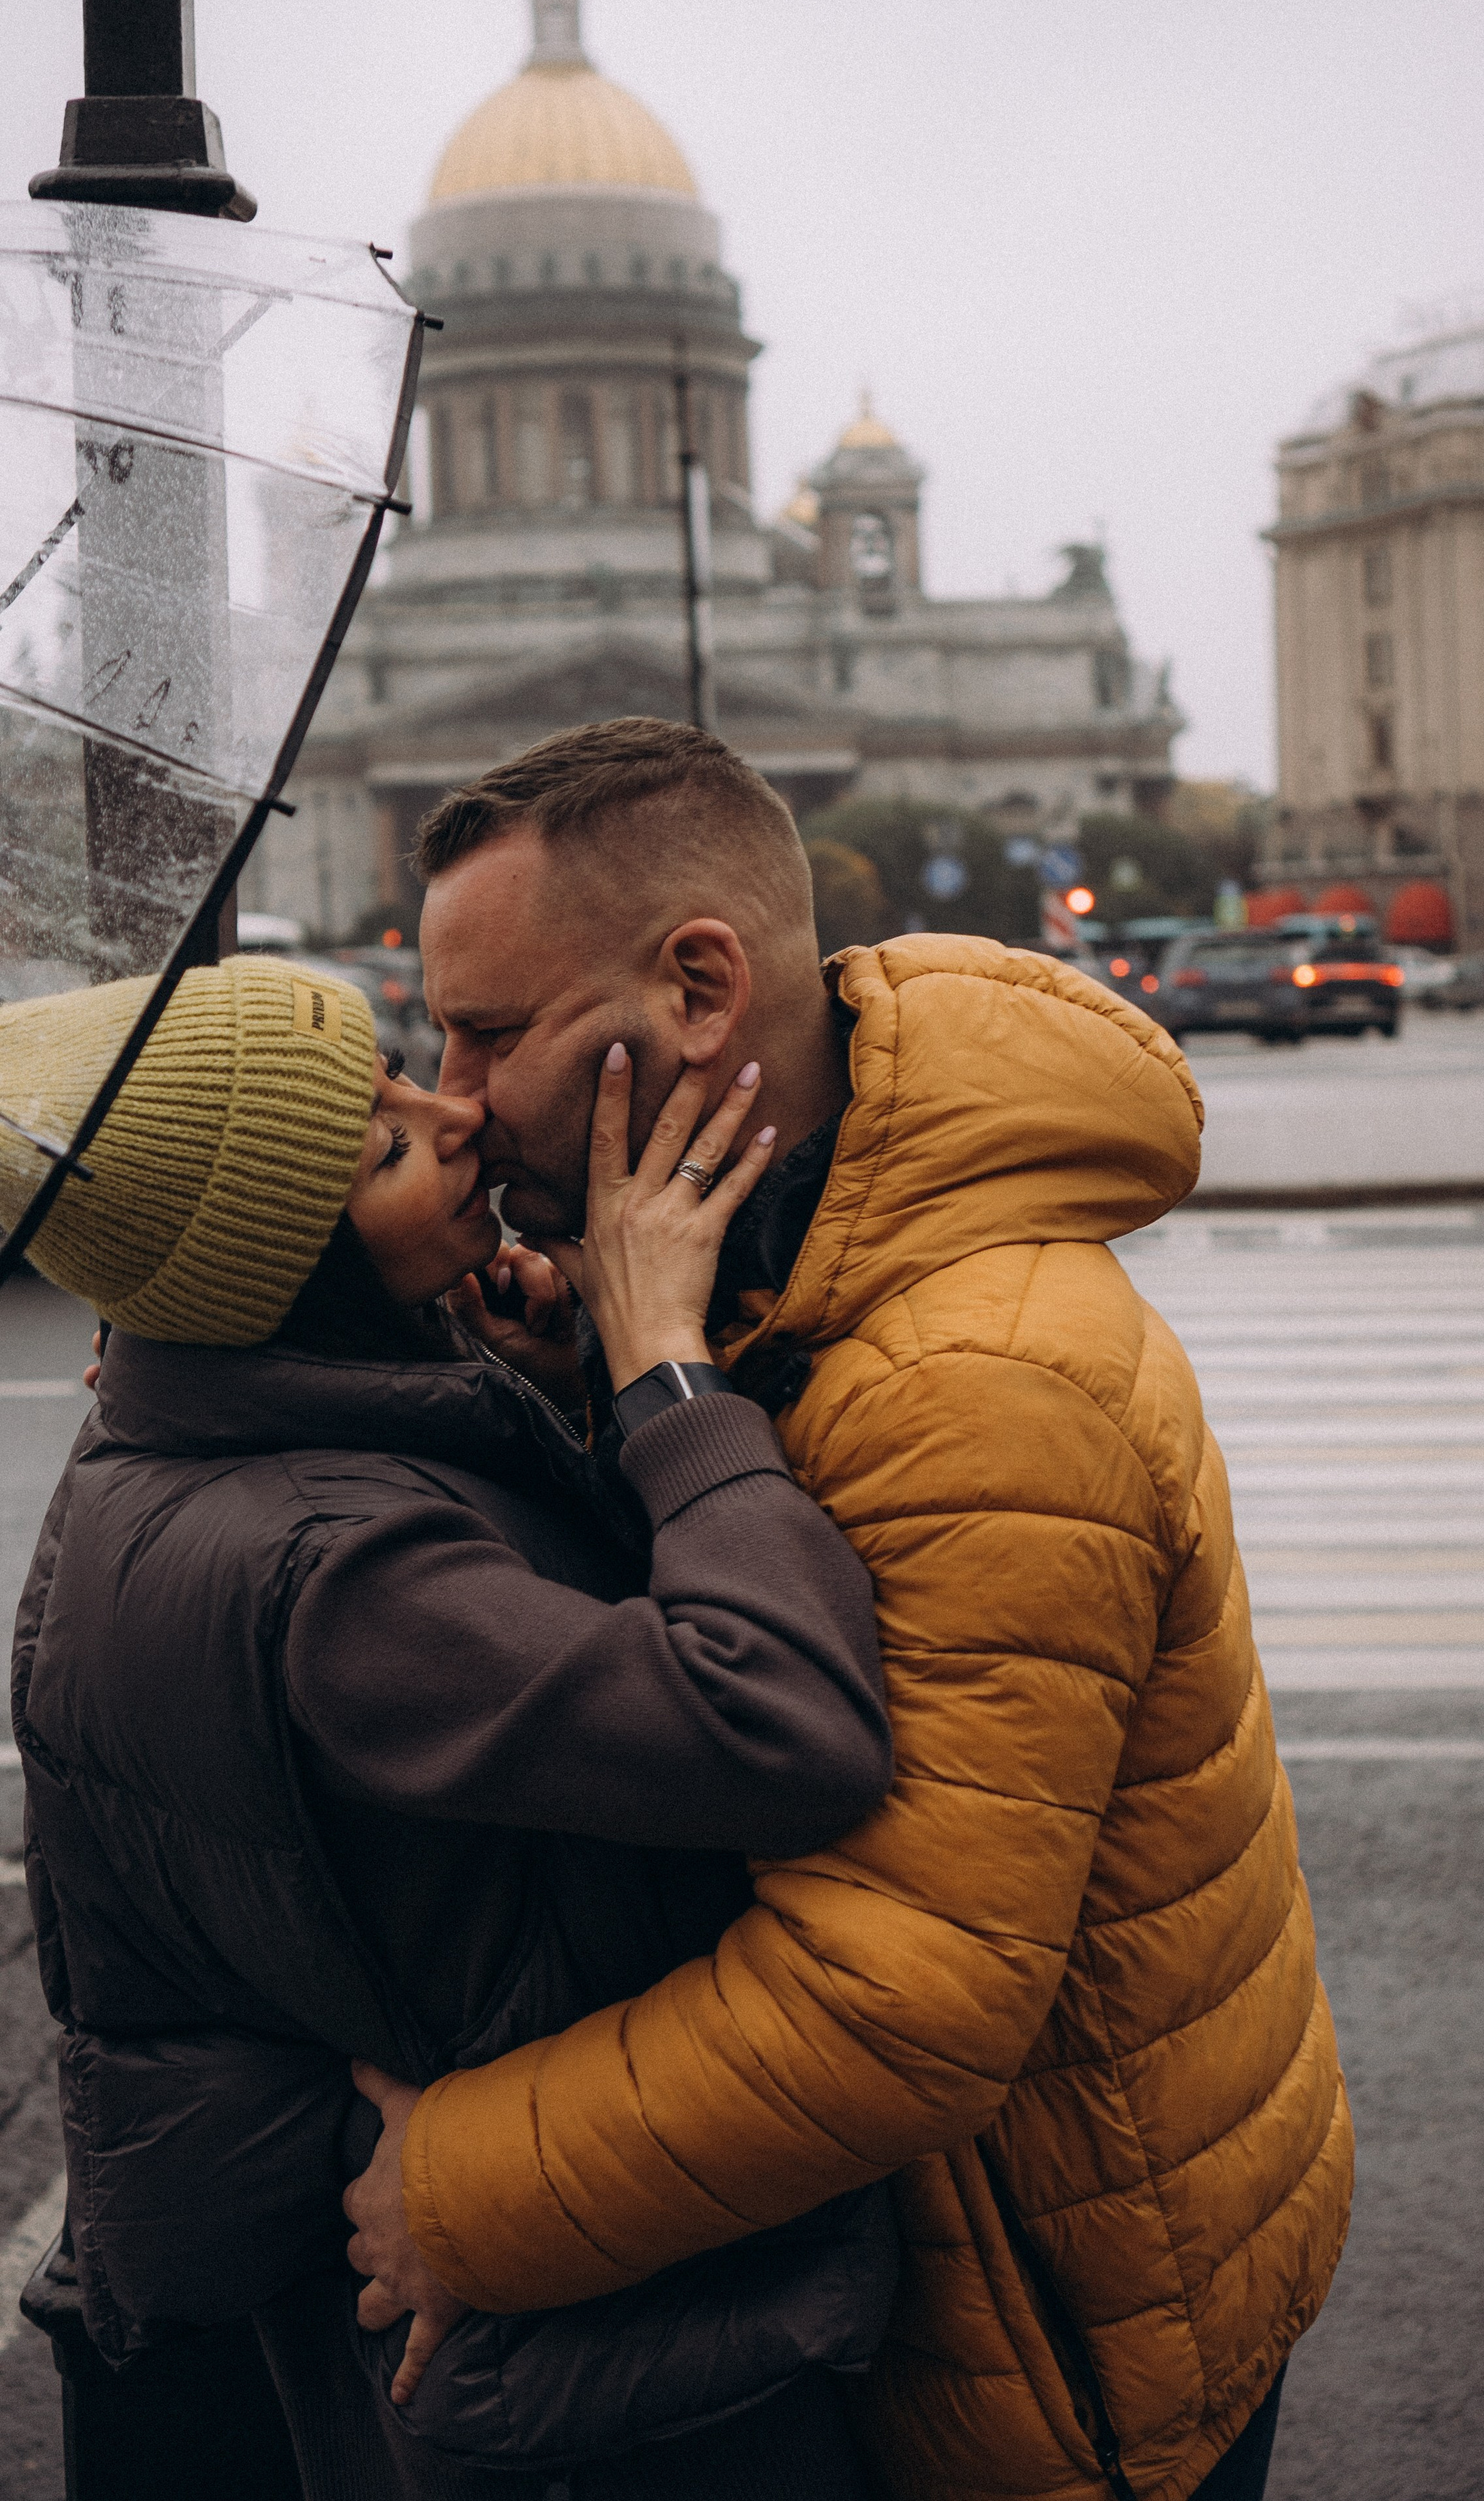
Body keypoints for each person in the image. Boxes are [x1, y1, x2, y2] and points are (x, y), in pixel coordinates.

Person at [344, 718, 1354, 2501]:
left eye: (491, 1031)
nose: (458, 1096)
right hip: (992, 2250)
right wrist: (603, 1378)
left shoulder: (976, 1380)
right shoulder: (770, 1268)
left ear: (701, 989)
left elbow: (897, 2006)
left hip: (1056, 2322)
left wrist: (455, 2195)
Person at [5, 953, 898, 2498]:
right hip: (557, 2380)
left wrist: (527, 1384)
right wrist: (666, 1373)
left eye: (403, 1077)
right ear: (296, 1277)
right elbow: (782, 1728)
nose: (458, 1116)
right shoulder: (345, 1573)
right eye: (389, 1149)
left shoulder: (164, 1439)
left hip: (428, 2316)